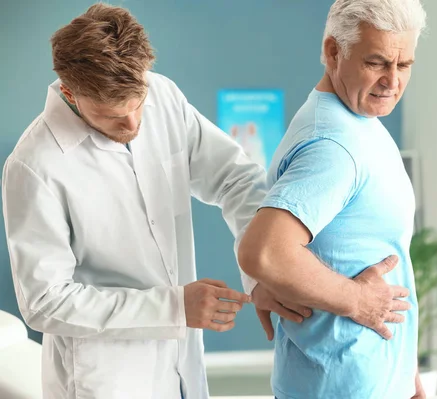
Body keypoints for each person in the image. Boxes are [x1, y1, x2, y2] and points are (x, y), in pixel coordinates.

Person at [2, 4, 411, 398]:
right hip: (104, 379)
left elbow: (234, 179)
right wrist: (173, 307)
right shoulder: (35, 166)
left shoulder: (162, 97)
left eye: (138, 104)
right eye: (112, 115)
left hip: (182, 367)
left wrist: (263, 279)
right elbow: (44, 301)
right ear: (70, 92)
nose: (133, 124)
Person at [238, 0, 427, 398]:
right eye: (376, 63)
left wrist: (402, 374)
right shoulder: (334, 145)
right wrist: (358, 300)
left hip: (368, 381)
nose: (392, 81)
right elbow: (264, 252)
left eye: (404, 65)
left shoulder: (359, 121)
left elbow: (357, 246)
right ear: (332, 52)